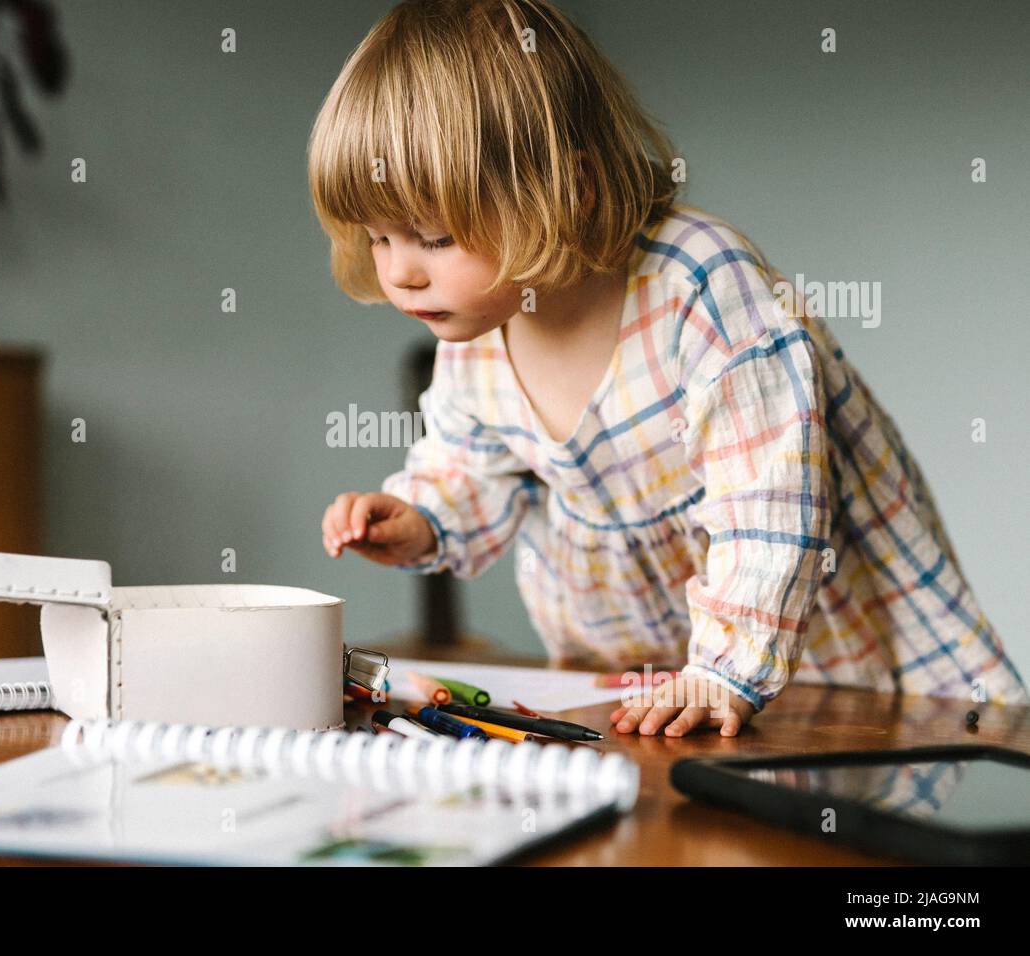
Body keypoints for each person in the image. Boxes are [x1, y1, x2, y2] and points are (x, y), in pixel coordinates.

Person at [308, 0, 1028, 735]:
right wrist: (423, 518)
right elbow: (472, 468)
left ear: (569, 192)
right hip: (634, 690)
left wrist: (725, 670)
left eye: (432, 235)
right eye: (377, 238)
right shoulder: (475, 336)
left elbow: (769, 505)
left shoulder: (701, 287)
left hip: (831, 682)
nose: (401, 274)